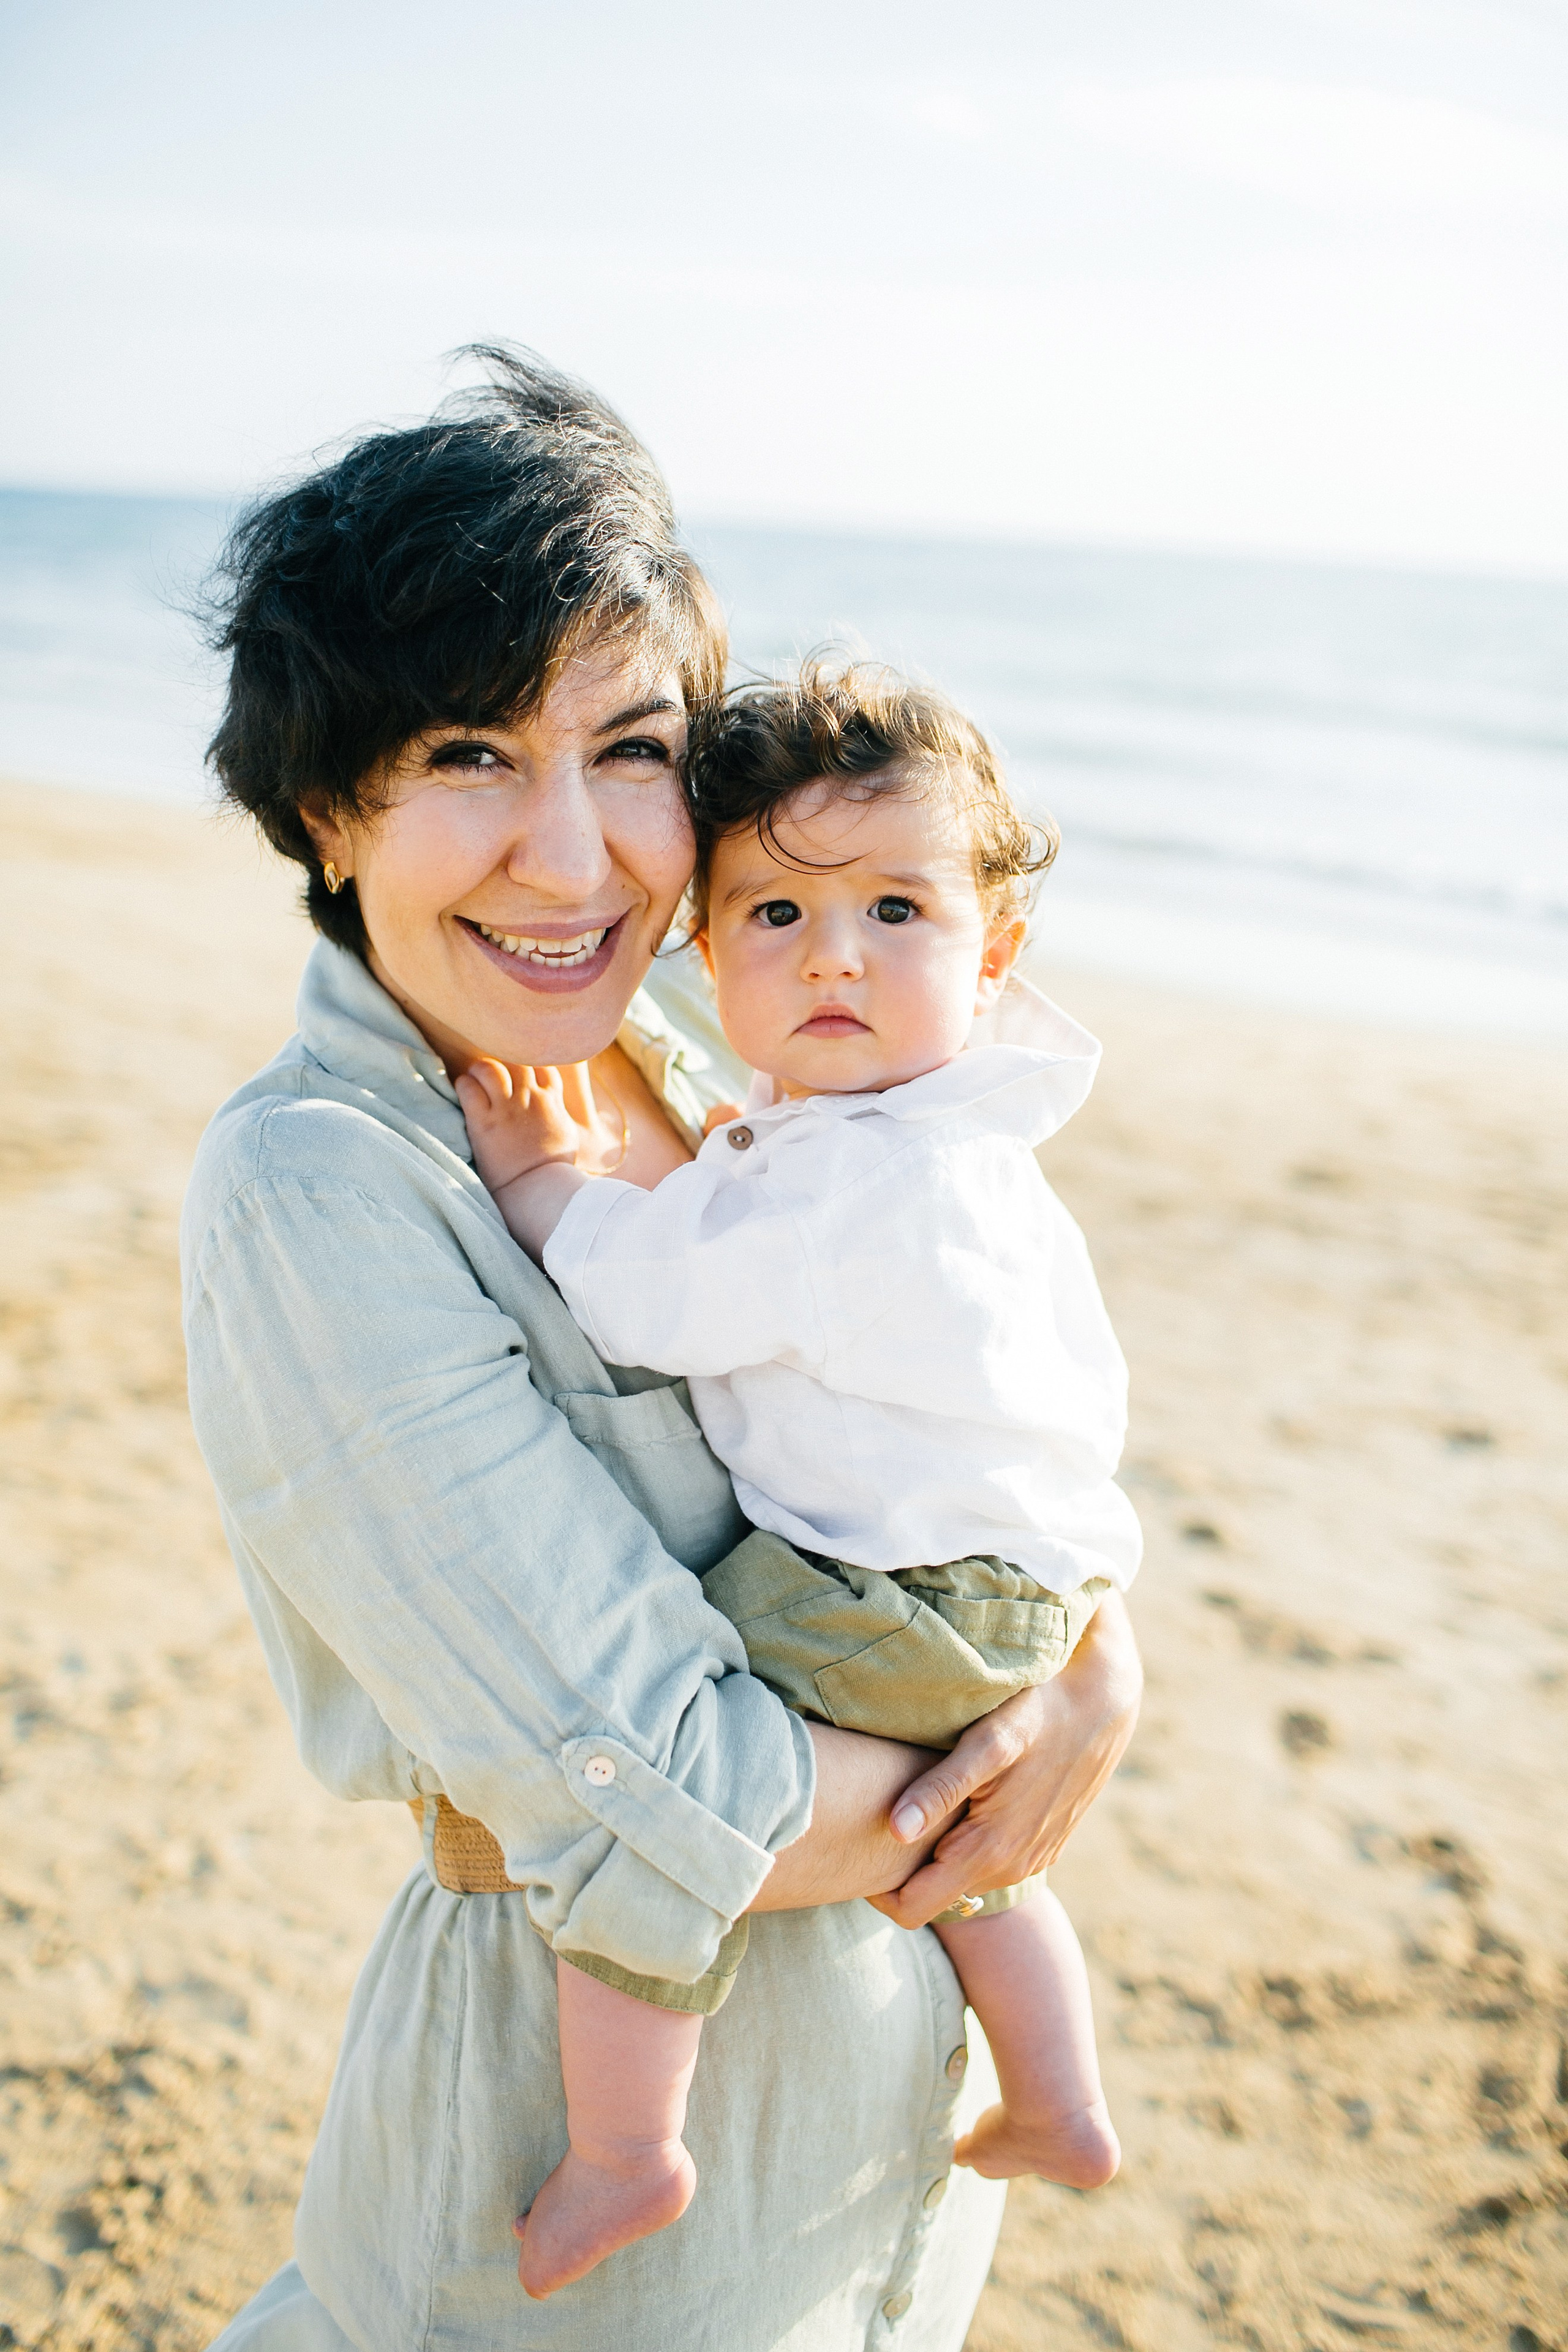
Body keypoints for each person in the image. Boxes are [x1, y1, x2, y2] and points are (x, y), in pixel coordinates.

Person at [184, 348, 1143, 2352]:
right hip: (597, 2233)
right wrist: (1026, 1730)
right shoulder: (323, 1186)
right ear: (325, 806)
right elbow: (664, 1785)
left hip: (878, 2170)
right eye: (467, 753)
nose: (573, 857)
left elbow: (970, 1398)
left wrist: (1098, 1658)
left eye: (630, 751)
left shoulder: (708, 1012)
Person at [461, 660, 1140, 2299]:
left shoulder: (853, 1185)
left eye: (896, 909)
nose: (834, 953)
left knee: (655, 1806)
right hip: (1025, 1586)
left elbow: (648, 1302)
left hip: (886, 1584)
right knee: (967, 1835)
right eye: (775, 915)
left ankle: (629, 2149)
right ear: (706, 955)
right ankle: (1058, 2099)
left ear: (993, 952)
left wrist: (549, 1178)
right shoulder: (968, 1149)